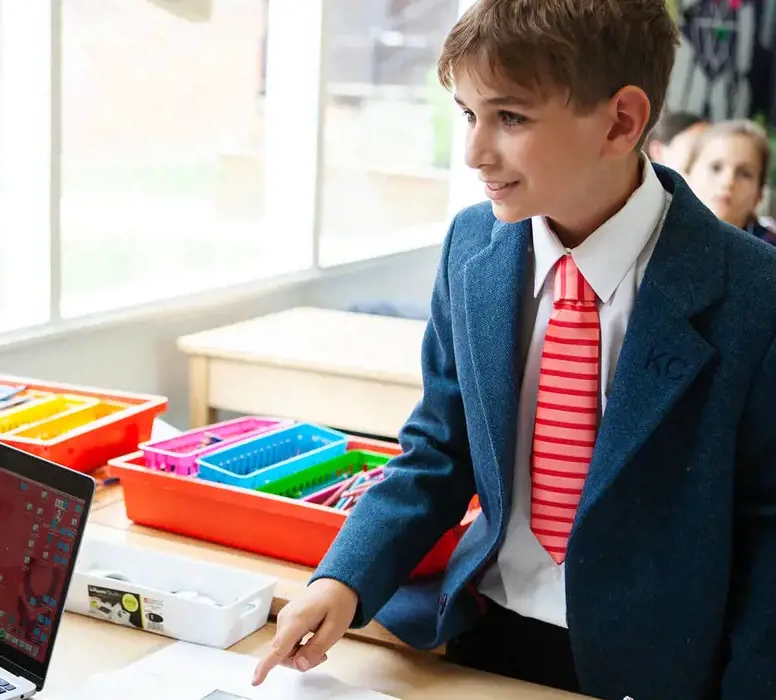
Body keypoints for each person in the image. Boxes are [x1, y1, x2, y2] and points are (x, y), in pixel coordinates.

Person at [252, 1, 776, 698]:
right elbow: (439, 452)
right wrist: (343, 578)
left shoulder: (753, 292)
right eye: (468, 114)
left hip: (662, 668)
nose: (474, 152)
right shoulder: (473, 247)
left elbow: (768, 529)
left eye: (511, 118)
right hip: (485, 635)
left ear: (620, 121)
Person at [683, 118, 776, 245]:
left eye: (745, 174)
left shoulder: (769, 249)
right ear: (687, 174)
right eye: (716, 168)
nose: (728, 182)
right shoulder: (663, 233)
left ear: (759, 194)